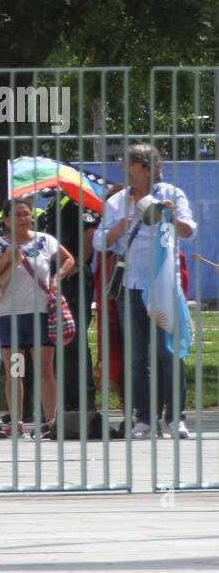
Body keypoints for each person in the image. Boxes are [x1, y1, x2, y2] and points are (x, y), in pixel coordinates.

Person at [93, 144, 196, 439]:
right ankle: (144, 419)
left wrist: (170, 216)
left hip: (164, 286)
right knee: (137, 356)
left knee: (168, 352)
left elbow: (189, 230)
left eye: (130, 165)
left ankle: (175, 418)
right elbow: (100, 242)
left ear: (147, 168)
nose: (125, 171)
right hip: (131, 287)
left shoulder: (172, 194)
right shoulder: (118, 201)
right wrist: (122, 226)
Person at [0, 198, 76, 439]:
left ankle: (52, 421)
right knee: (15, 370)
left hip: (39, 315)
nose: (22, 218)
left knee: (44, 369)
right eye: (16, 214)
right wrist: (8, 258)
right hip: (9, 316)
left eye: (26, 213)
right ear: (6, 219)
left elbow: (69, 259)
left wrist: (58, 277)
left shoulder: (44, 240)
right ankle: (17, 420)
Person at [37, 190, 101, 414]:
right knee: (60, 343)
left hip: (74, 278)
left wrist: (78, 264)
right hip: (58, 279)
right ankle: (64, 402)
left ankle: (83, 403)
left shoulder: (77, 199)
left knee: (74, 340)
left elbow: (90, 232)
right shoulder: (56, 202)